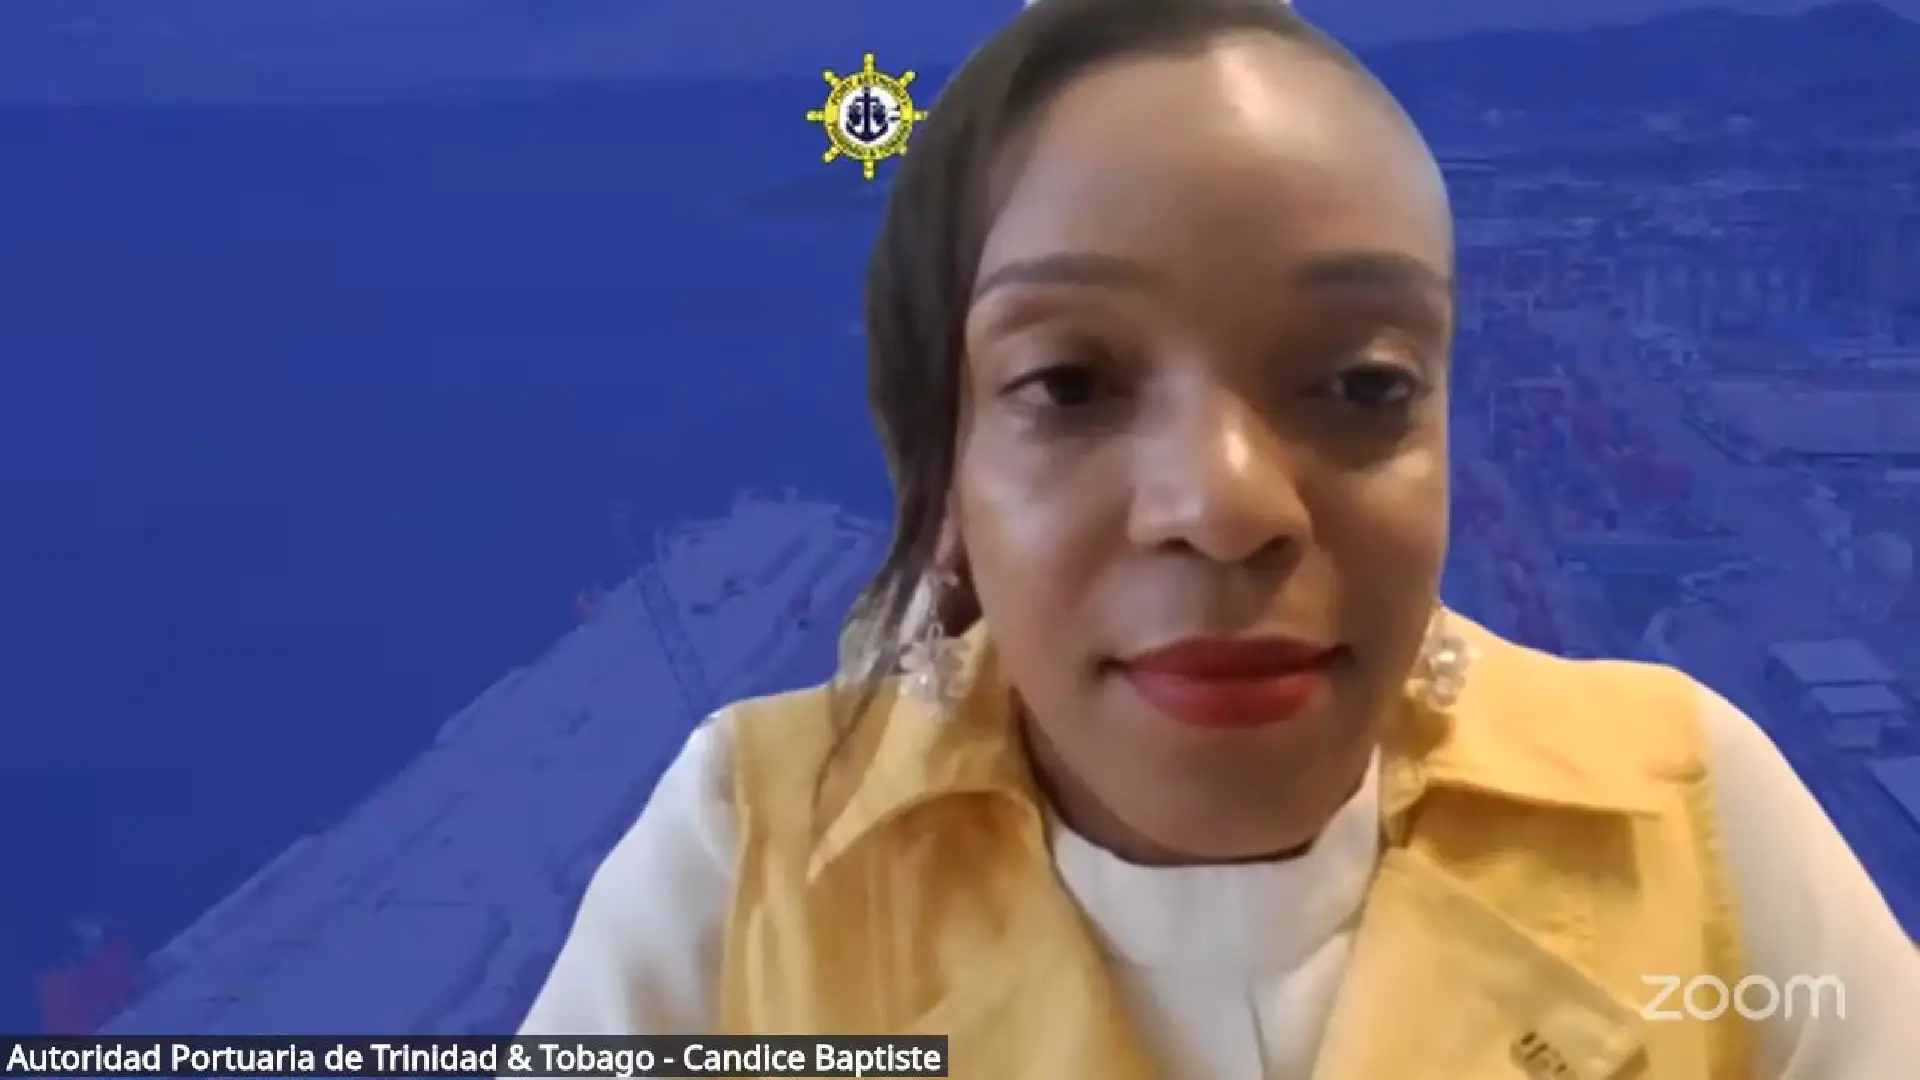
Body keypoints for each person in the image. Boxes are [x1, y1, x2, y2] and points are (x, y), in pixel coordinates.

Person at [520, 0, 1920, 1074]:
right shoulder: (747, 862)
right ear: (942, 475)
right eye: (1071, 383)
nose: (1226, 505)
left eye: (1363, 384)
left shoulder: (1691, 820)